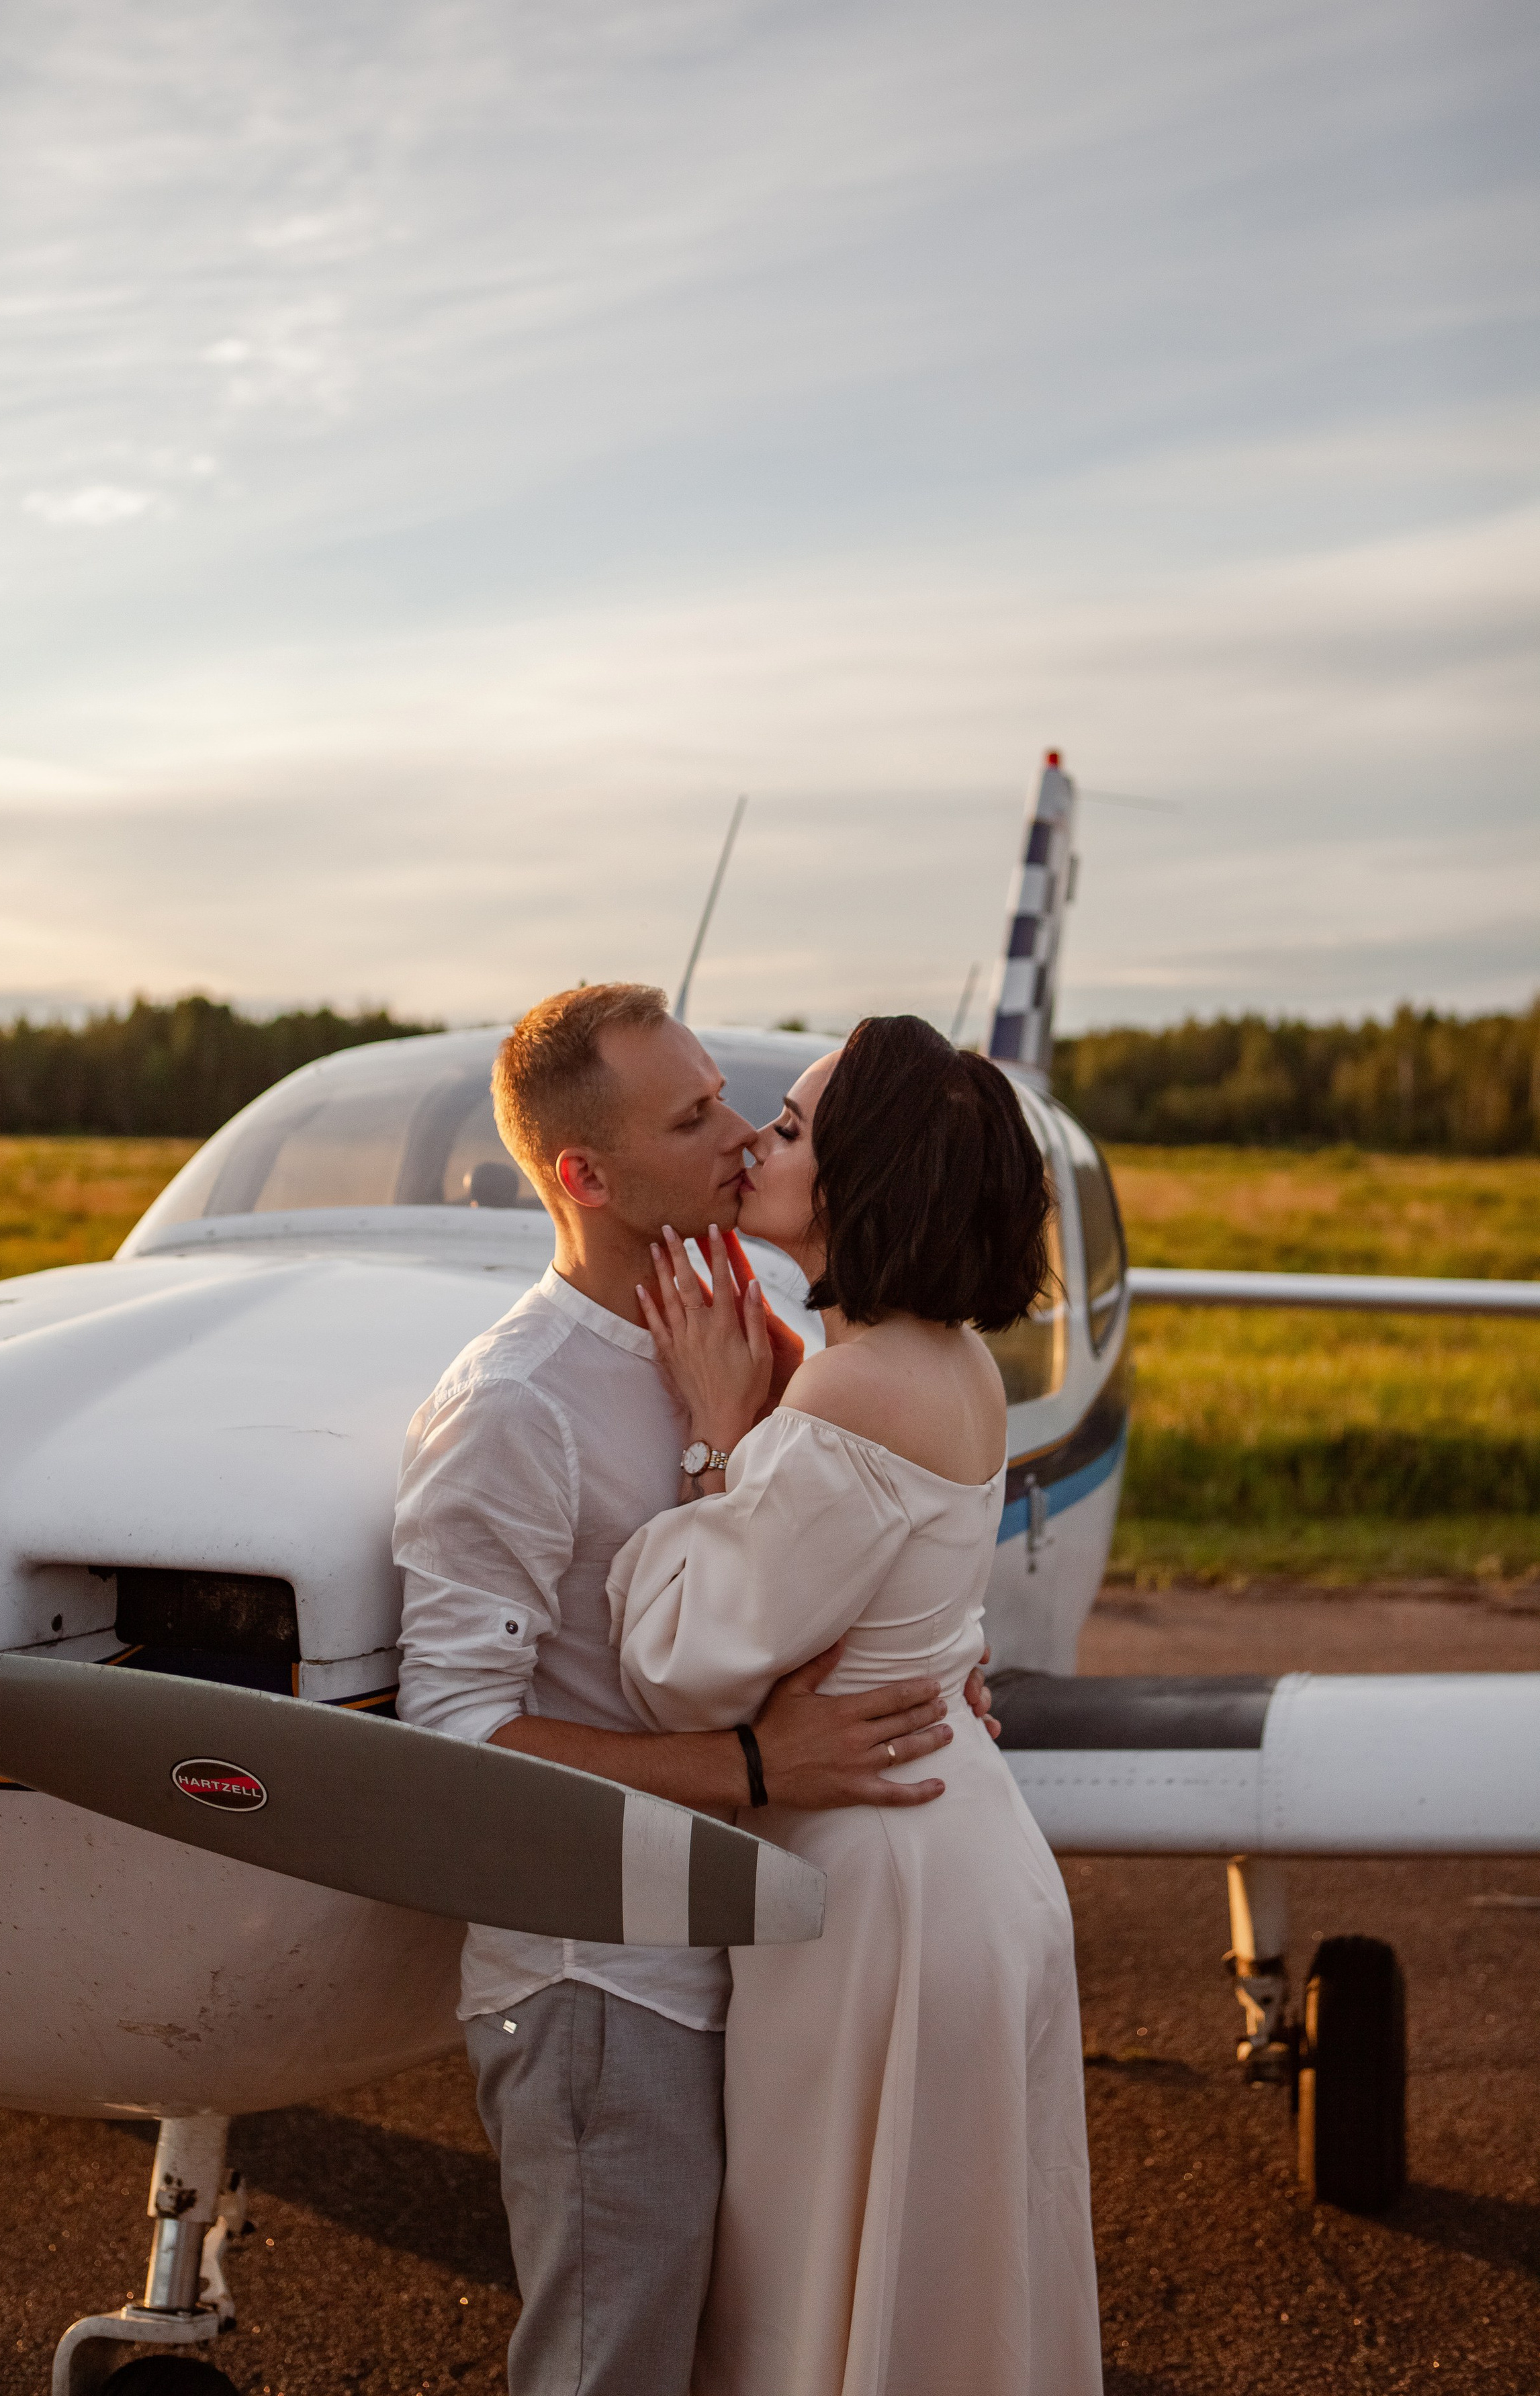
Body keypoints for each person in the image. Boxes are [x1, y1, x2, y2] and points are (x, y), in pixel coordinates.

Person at [393, 984, 997, 2396]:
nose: (739, 1136)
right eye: (693, 1119)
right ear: (586, 1177)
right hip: (610, 1983)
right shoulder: (513, 1405)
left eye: (731, 1099)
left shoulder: (756, 1315)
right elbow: (458, 1736)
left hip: (760, 1957)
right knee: (616, 2368)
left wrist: (936, 1659)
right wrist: (758, 1769)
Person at [609, 1016, 1103, 2396]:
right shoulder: (950, 1359)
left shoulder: (853, 1388)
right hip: (966, 1849)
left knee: (837, 2269)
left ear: (859, 1176)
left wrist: (715, 1437)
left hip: (885, 1888)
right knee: (947, 2276)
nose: (756, 1144)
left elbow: (683, 1664)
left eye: (790, 1128)